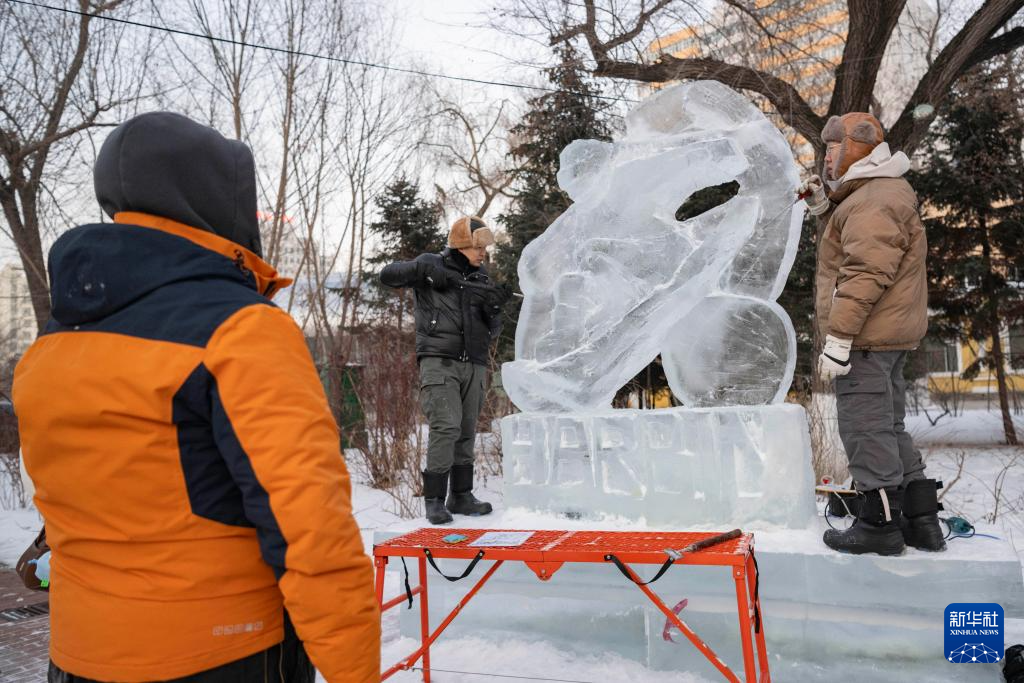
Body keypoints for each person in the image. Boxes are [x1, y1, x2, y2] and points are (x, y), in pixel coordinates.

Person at [13, 112, 380, 682]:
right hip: (221, 653)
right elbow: (310, 526)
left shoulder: (54, 341)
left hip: (77, 653)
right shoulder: (241, 329)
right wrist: (355, 670)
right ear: (217, 199)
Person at [801, 112, 946, 556]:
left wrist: (839, 337)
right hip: (885, 336)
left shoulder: (874, 198)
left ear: (856, 149)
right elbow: (857, 238)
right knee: (888, 426)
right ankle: (920, 521)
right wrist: (821, 205)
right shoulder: (876, 192)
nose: (827, 158)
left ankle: (879, 526)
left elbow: (865, 271)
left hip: (866, 338)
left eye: (833, 148)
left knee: (865, 428)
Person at [380, 216, 509, 525]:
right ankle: (435, 500)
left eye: (485, 248)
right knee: (446, 426)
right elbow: (387, 275)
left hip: (474, 363)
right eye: (478, 247)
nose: (483, 253)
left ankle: (461, 495)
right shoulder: (431, 265)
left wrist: (493, 309)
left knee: (466, 429)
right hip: (440, 360)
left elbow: (493, 331)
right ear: (462, 245)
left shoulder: (481, 279)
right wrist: (423, 270)